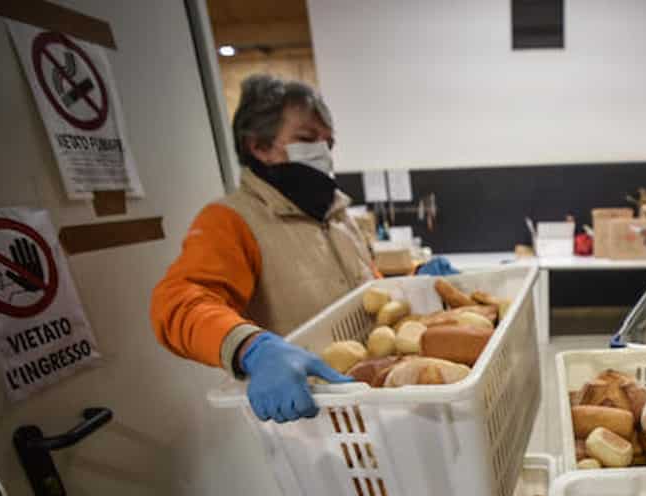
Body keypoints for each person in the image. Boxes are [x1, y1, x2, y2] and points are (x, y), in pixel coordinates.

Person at [151, 75, 455, 423]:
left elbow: (369, 296)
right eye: (307, 139)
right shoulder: (232, 220)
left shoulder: (339, 217)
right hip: (312, 422)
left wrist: (416, 283)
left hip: (376, 408)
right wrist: (253, 348)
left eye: (329, 142)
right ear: (259, 146)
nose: (323, 153)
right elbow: (178, 301)